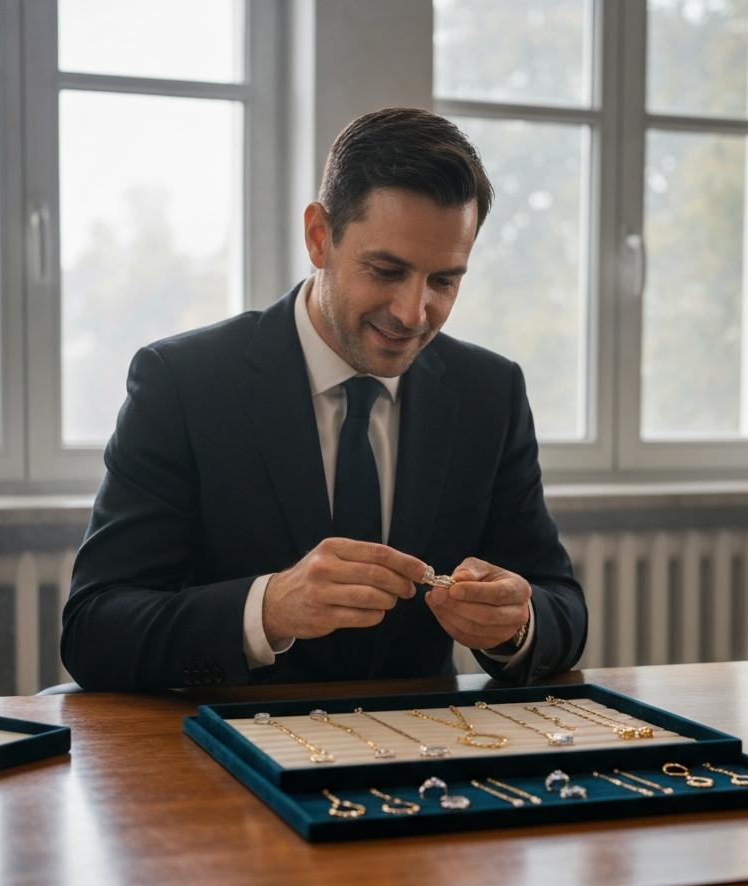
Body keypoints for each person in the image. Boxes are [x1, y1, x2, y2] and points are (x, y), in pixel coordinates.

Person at [61, 107, 587, 691]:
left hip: (421, 762)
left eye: (445, 281)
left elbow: (561, 604)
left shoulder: (490, 392)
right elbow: (94, 628)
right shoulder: (182, 383)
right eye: (387, 270)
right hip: (225, 758)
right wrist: (268, 609)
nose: (413, 314)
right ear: (319, 237)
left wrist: (515, 623)